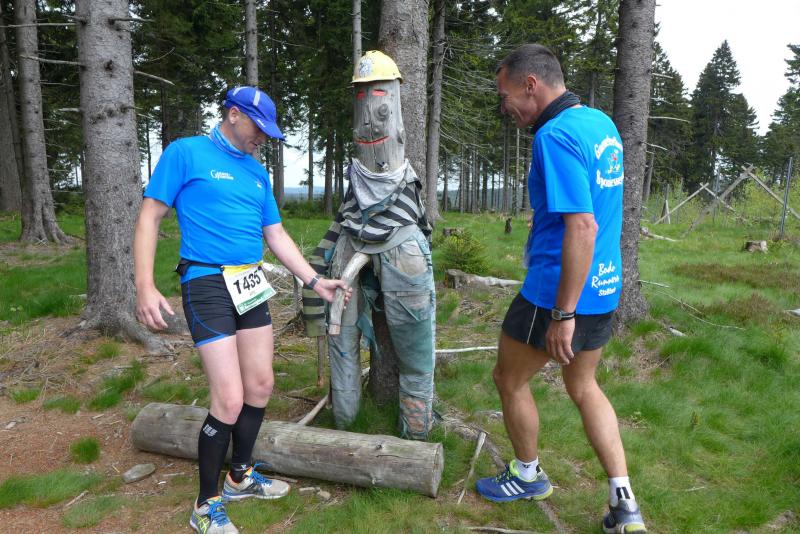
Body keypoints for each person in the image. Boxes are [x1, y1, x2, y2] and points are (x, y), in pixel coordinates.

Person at [134, 86, 351, 534]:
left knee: (261, 385)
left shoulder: (256, 173)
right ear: (233, 114)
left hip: (249, 283)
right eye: (259, 128)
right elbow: (150, 216)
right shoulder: (185, 153)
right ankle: (204, 505)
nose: (263, 138)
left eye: (269, 132)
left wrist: (315, 281)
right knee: (229, 398)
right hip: (206, 282)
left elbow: (276, 235)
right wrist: (144, 285)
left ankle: (239, 476)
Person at [475, 44, 646, 534]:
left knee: (509, 379)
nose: (504, 106)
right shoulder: (600, 123)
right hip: (605, 284)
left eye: (506, 95)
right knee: (584, 385)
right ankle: (625, 503)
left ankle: (527, 475)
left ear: (531, 85)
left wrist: (562, 313)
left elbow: (583, 225)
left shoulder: (555, 135)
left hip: (555, 291)